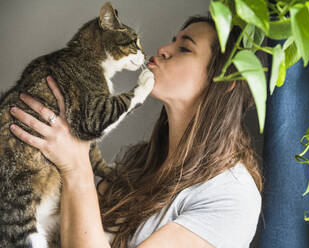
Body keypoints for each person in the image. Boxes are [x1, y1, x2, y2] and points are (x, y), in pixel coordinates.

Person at [9, 14, 263, 248]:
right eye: (173, 41)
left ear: (225, 79)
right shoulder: (139, 165)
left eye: (184, 48)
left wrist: (76, 166)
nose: (163, 49)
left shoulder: (232, 197)